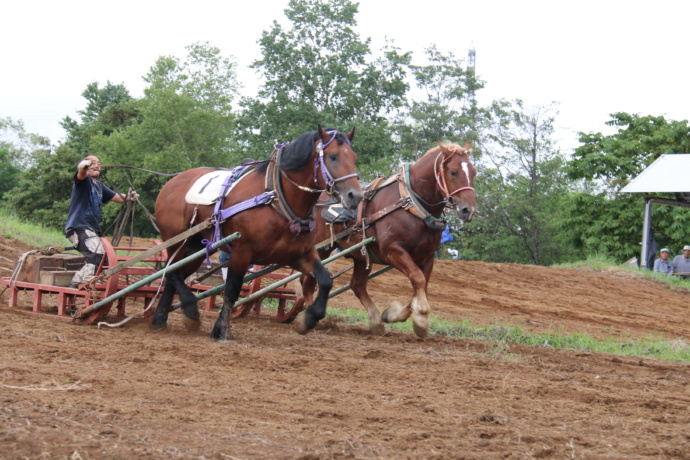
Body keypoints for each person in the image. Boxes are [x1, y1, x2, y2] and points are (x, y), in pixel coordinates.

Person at [64, 156, 137, 288]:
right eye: (93, 163)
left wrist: (130, 197)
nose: (97, 165)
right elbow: (81, 173)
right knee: (96, 254)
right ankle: (85, 281)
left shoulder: (100, 187)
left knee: (103, 258)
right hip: (79, 226)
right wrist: (83, 166)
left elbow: (119, 198)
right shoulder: (84, 181)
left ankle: (77, 283)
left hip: (90, 229)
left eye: (99, 163)